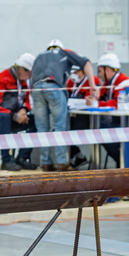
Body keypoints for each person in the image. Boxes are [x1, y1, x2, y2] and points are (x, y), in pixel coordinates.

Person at [29, 40, 96, 171]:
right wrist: (92, 86)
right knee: (60, 126)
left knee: (42, 128)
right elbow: (86, 63)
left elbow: (31, 78)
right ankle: (61, 163)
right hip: (54, 87)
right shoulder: (64, 53)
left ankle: (45, 163)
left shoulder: (40, 56)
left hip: (36, 89)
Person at [0, 53, 37, 171]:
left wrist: (24, 111)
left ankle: (22, 158)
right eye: (29, 73)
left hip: (10, 115)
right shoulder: (1, 79)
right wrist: (14, 116)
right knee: (4, 117)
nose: (30, 76)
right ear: (21, 69)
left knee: (36, 121)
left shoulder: (22, 81)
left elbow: (26, 100)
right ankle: (6, 161)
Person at [91, 52, 129, 168]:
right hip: (114, 120)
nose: (98, 74)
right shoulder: (108, 83)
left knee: (102, 132)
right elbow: (99, 98)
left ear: (107, 70)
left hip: (123, 123)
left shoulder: (123, 81)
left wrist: (97, 103)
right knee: (99, 130)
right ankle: (120, 161)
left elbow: (116, 103)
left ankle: (123, 162)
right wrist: (93, 99)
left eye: (100, 71)